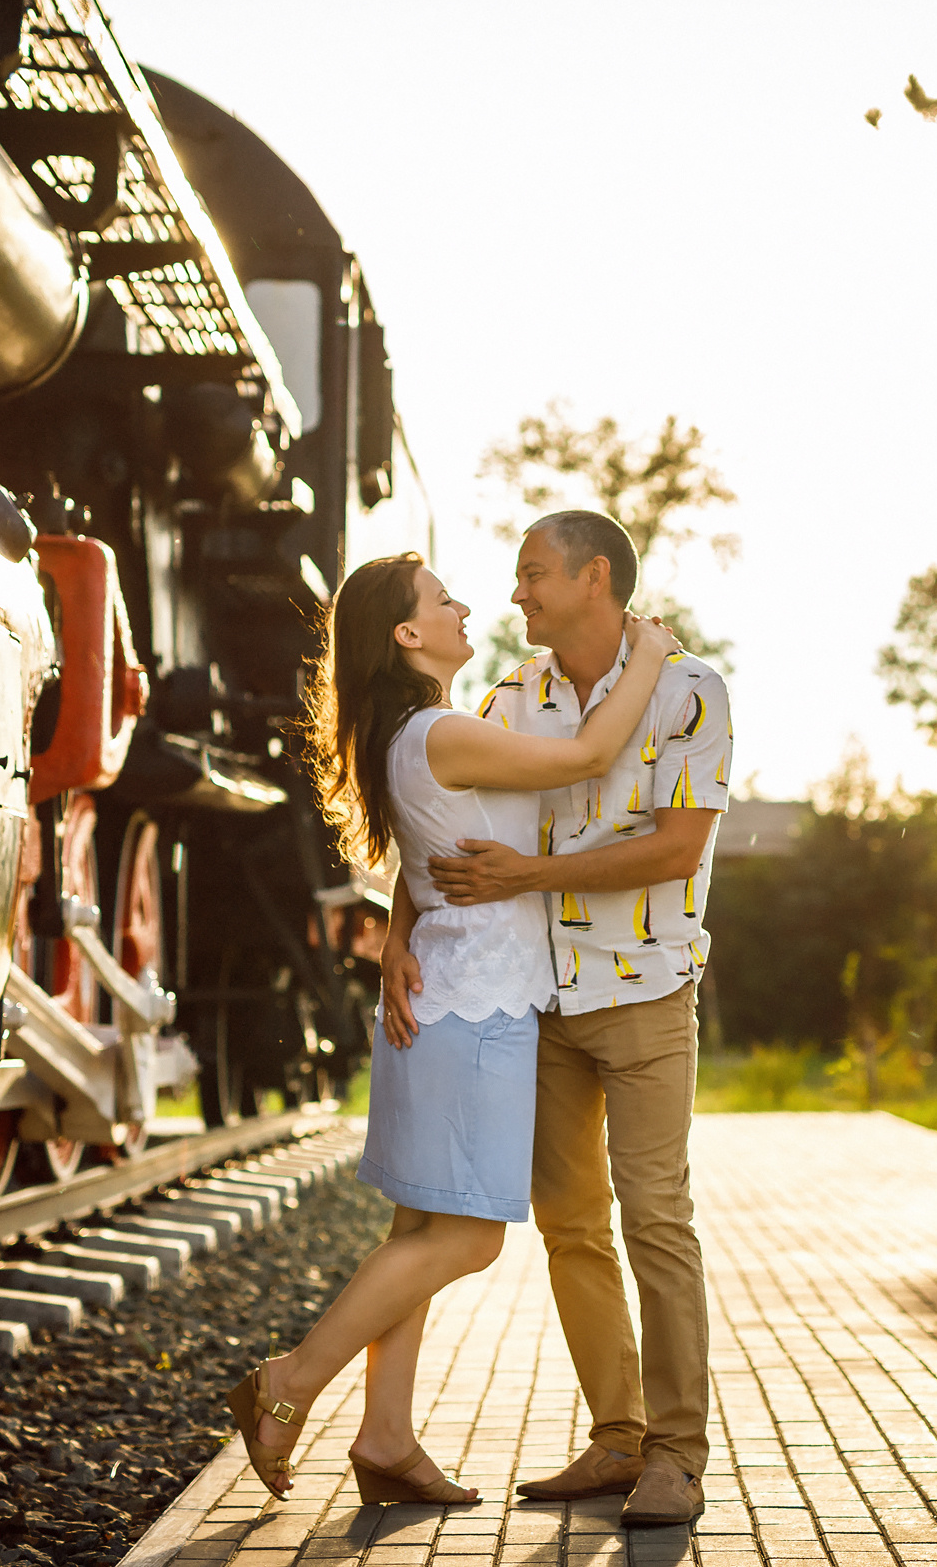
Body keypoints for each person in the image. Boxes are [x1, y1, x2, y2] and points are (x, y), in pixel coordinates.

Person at [226, 552, 674, 1506]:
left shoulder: (415, 734)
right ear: (407, 634)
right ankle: (289, 1382)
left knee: (419, 1225)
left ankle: (386, 1438)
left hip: (437, 1000)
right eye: (443, 600)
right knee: (468, 1239)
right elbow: (591, 755)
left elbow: (431, 857)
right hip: (476, 1009)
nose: (466, 606)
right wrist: (650, 652)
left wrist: (396, 929)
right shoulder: (440, 732)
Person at [386, 510, 731, 1529]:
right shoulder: (510, 697)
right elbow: (441, 826)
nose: (515, 594)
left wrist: (535, 874)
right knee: (571, 1227)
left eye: (533, 574)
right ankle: (616, 1438)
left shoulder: (689, 690)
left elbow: (676, 849)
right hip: (537, 998)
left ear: (593, 578)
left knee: (656, 1219)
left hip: (646, 992)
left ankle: (676, 1454)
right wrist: (399, 932)